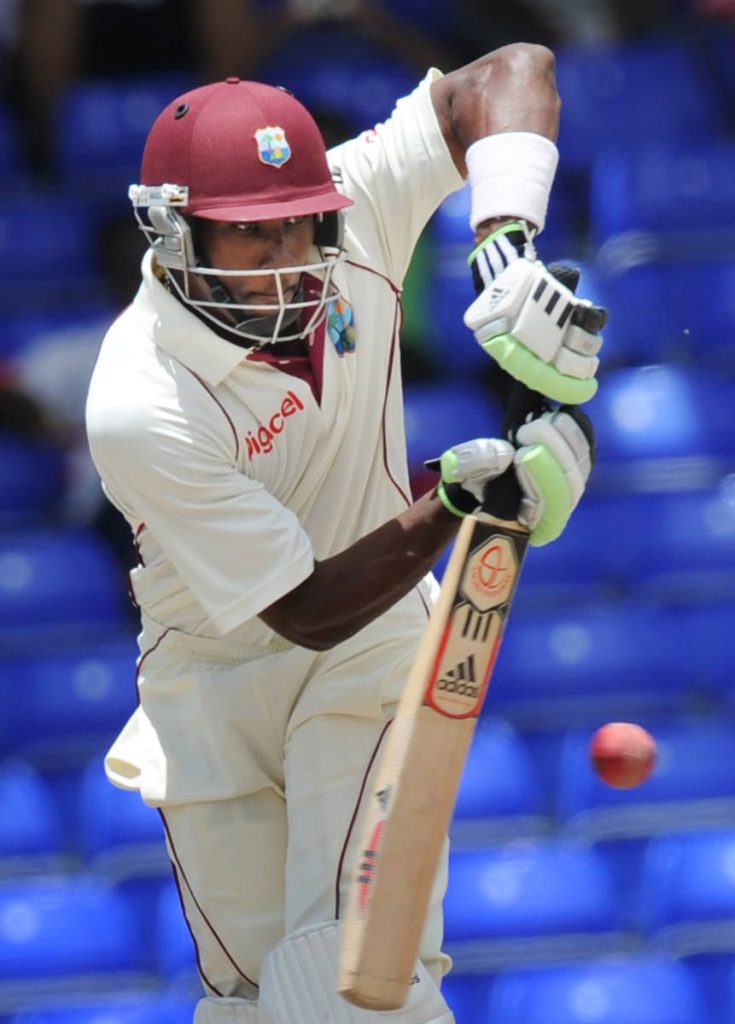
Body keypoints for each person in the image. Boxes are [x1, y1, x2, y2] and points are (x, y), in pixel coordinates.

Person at [85, 43, 606, 1024]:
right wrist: (455, 502)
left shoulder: (354, 211)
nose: (292, 262)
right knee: (246, 1004)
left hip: (373, 648)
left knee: (350, 982)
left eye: (300, 226)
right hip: (221, 682)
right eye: (254, 239)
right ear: (174, 232)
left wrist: (505, 241)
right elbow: (303, 607)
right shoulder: (140, 395)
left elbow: (508, 70)